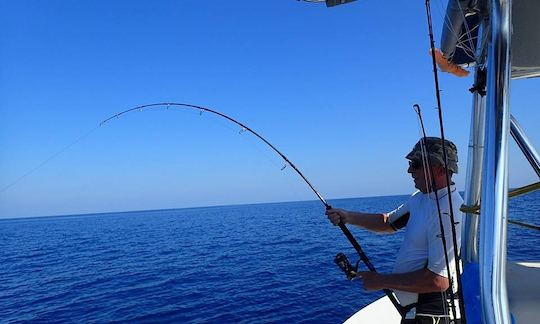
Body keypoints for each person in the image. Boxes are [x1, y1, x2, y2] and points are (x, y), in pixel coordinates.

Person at [326, 137, 463, 324]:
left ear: (439, 169)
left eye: (415, 164)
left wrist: (381, 281)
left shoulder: (449, 211)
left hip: (433, 316)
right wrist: (347, 217)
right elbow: (387, 223)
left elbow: (439, 281)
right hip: (414, 315)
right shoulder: (420, 199)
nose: (409, 170)